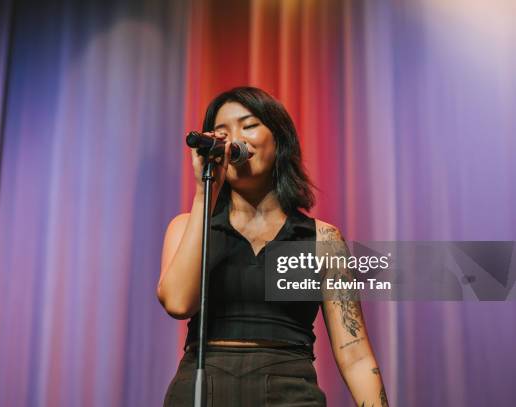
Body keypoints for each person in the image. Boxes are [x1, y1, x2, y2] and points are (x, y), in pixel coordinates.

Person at [157, 87, 387, 406]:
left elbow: (356, 356)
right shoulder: (187, 226)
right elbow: (178, 303)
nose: (236, 139)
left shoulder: (322, 240)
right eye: (222, 133)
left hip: (289, 390)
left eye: (249, 125)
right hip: (203, 387)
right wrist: (203, 195)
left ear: (279, 138)